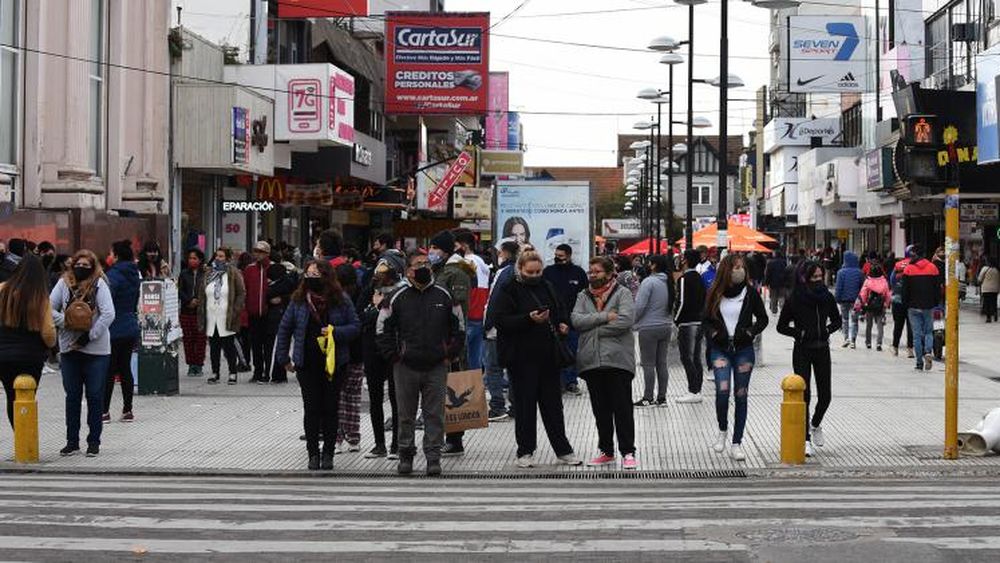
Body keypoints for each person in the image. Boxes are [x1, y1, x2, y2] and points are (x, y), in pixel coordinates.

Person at [376, 251, 465, 476]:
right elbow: (382, 328)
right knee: (405, 414)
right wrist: (394, 356)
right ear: (408, 270)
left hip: (436, 365)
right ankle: (405, 455)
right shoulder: (397, 296)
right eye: (418, 264)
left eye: (426, 263)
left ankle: (433, 457)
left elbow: (459, 327)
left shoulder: (444, 294)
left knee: (434, 414)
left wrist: (449, 353)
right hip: (405, 365)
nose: (424, 267)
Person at [492, 251, 582, 468]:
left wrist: (562, 324)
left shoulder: (547, 286)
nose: (534, 276)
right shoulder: (509, 289)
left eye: (538, 271)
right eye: (530, 272)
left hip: (548, 356)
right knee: (525, 407)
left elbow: (560, 310)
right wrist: (528, 319)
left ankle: (563, 450)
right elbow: (500, 321)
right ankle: (525, 451)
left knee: (553, 407)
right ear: (520, 269)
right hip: (521, 358)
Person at [274, 260, 360, 471]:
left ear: (327, 277)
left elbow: (355, 326)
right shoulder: (298, 300)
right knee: (311, 409)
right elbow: (285, 328)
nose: (311, 278)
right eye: (308, 274)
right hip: (307, 363)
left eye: (316, 274)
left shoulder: (341, 300)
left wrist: (335, 332)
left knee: (331, 408)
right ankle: (313, 453)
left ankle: (328, 453)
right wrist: (283, 358)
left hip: (334, 363)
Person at [572, 256, 638, 470]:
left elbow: (625, 321)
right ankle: (606, 451)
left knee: (622, 408)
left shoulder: (622, 293)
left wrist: (593, 329)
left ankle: (628, 451)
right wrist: (605, 317)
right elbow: (576, 320)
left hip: (618, 360)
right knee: (600, 410)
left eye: (597, 272)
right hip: (591, 361)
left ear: (610, 273)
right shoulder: (583, 295)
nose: (592, 275)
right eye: (590, 271)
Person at [702, 254, 768, 462]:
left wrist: (749, 332)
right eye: (735, 267)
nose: (739, 271)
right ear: (726, 270)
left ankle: (736, 442)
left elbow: (763, 319)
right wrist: (714, 334)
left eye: (742, 267)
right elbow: (705, 320)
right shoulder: (714, 292)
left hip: (743, 350)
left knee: (741, 394)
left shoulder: (750, 293)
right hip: (720, 349)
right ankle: (722, 430)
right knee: (722, 391)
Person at [50, 250, 116, 457]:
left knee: (95, 396)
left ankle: (94, 441)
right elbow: (48, 308)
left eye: (86, 266)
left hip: (97, 350)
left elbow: (109, 314)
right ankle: (72, 442)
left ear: (93, 267)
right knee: (72, 396)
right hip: (69, 348)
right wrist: (67, 322)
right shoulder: (63, 284)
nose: (81, 269)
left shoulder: (99, 284)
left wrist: (90, 335)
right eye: (78, 265)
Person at [777, 262, 841, 458]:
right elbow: (781, 326)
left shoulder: (827, 297)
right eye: (814, 277)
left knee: (826, 396)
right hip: (802, 350)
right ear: (804, 278)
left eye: (821, 276)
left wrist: (826, 331)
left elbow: (837, 320)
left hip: (822, 349)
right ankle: (804, 439)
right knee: (804, 395)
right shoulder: (795, 298)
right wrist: (800, 333)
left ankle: (815, 424)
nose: (818, 280)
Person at [428, 230, 474, 458]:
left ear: (445, 250)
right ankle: (444, 436)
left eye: (435, 248)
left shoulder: (456, 273)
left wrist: (455, 343)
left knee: (455, 387)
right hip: (437, 339)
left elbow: (459, 311)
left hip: (452, 341)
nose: (431, 252)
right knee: (440, 390)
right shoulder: (440, 270)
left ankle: (455, 439)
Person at [0, 255, 56, 432]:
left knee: (11, 396)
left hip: (4, 355)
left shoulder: (2, 290)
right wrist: (52, 346)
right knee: (27, 395)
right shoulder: (40, 297)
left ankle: (19, 436)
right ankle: (26, 437)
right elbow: (48, 332)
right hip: (31, 356)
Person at [360, 250, 406, 459]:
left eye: (386, 270)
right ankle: (379, 444)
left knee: (398, 398)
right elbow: (359, 317)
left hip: (395, 349)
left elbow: (402, 320)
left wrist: (380, 307)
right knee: (375, 397)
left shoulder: (403, 292)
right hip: (372, 348)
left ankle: (397, 444)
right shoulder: (369, 290)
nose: (381, 275)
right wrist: (374, 309)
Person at [542, 244, 588, 396]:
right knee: (553, 351)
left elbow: (585, 296)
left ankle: (571, 381)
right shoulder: (548, 272)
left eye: (561, 256)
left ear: (569, 256)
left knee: (571, 351)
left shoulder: (578, 273)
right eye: (556, 255)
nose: (557, 258)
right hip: (553, 319)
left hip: (573, 319)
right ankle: (557, 381)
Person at [103, 241, 140, 423]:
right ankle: (127, 410)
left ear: (116, 256)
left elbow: (106, 301)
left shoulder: (113, 275)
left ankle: (104, 411)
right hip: (130, 326)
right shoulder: (134, 274)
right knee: (125, 368)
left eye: (111, 253)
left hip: (114, 328)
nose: (109, 257)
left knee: (109, 370)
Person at [483, 240, 520, 421]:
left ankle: (497, 406)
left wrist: (488, 324)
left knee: (493, 368)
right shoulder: (518, 271)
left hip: (497, 328)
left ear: (504, 253)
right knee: (513, 368)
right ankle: (516, 406)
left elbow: (494, 300)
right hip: (513, 327)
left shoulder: (504, 272)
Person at [198, 247, 246, 384]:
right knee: (214, 347)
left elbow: (241, 293)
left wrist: (236, 310)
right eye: (216, 256)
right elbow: (202, 292)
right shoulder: (208, 273)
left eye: (221, 256)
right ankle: (215, 373)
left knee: (229, 346)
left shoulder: (233, 273)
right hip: (211, 314)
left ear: (227, 258)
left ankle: (232, 373)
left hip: (227, 315)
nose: (218, 259)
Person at [632, 254, 674, 407]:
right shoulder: (669, 282)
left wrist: (632, 322)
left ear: (654, 265)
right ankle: (662, 398)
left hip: (649, 327)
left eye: (649, 262)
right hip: (666, 326)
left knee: (648, 364)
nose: (647, 265)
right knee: (662, 363)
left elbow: (640, 306)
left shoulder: (648, 282)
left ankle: (648, 397)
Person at [334, 263, 365, 453]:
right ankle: (353, 438)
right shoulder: (363, 294)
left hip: (339, 353)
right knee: (353, 398)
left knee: (337, 397)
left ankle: (337, 438)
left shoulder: (335, 298)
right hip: (357, 353)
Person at [901, 245, 942, 371]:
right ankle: (928, 352)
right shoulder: (933, 268)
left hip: (913, 306)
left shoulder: (908, 269)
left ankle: (919, 362)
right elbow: (937, 288)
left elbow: (904, 290)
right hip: (928, 305)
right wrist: (935, 302)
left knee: (917, 335)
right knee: (929, 332)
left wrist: (905, 304)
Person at [454, 229, 490, 371]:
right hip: (479, 314)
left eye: (455, 245)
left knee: (462, 359)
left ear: (464, 246)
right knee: (475, 360)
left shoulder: (465, 262)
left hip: (468, 314)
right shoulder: (480, 261)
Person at [674, 249, 706, 404]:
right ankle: (697, 389)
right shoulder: (699, 278)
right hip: (699, 321)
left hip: (687, 323)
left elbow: (681, 301)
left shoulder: (684, 279)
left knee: (687, 357)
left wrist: (676, 319)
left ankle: (693, 390)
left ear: (685, 260)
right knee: (696, 358)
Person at [243, 241, 273, 384]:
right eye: (256, 251)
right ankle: (257, 371)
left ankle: (267, 372)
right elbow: (245, 291)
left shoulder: (273, 268)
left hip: (269, 314)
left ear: (267, 253)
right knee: (255, 344)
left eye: (261, 252)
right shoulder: (249, 270)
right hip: (253, 313)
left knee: (268, 345)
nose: (258, 254)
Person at [264, 259, 297, 384]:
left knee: (279, 346)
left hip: (279, 317)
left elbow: (269, 295)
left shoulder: (280, 285)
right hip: (282, 317)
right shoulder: (289, 283)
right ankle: (279, 373)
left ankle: (277, 374)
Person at [178, 249, 207, 377]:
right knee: (188, 339)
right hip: (186, 310)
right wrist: (189, 300)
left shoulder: (205, 274)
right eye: (190, 258)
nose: (192, 261)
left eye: (195, 258)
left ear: (200, 260)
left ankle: (199, 364)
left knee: (200, 339)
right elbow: (180, 290)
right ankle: (191, 364)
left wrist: (199, 300)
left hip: (201, 312)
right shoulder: (184, 274)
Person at [858, 264, 891, 351]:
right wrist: (886, 304)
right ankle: (879, 343)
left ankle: (868, 342)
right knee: (880, 326)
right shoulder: (884, 281)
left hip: (870, 305)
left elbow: (863, 293)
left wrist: (864, 303)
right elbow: (888, 294)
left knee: (869, 325)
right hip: (880, 306)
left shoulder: (868, 281)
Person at [834, 251, 863, 348]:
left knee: (845, 319)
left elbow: (838, 287)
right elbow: (862, 287)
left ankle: (846, 338)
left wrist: (837, 298)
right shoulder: (859, 272)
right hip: (856, 301)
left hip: (844, 300)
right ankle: (853, 340)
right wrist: (861, 299)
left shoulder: (840, 272)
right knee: (854, 320)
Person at [889, 253, 914, 358]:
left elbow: (891, 280)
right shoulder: (914, 265)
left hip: (898, 300)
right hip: (911, 300)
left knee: (898, 325)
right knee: (911, 326)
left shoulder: (898, 265)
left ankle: (895, 347)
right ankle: (910, 349)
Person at [764, 250, 789, 314]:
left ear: (775, 255)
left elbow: (768, 273)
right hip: (782, 282)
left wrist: (766, 282)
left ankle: (774, 310)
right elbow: (786, 272)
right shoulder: (784, 262)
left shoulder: (770, 263)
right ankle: (782, 308)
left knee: (773, 297)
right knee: (782, 296)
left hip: (773, 283)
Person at [979, 256, 999, 323]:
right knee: (994, 302)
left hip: (986, 289)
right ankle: (995, 313)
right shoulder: (997, 270)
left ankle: (988, 318)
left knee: (987, 303)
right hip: (995, 289)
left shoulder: (985, 268)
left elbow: (980, 278)